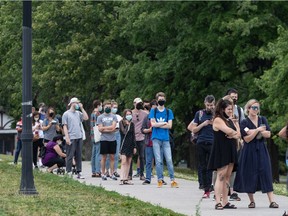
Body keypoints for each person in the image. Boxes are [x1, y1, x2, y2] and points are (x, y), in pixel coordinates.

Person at [234, 99, 279, 209]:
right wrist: (258, 130)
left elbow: (268, 134)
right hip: (249, 150)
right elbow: (247, 139)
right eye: (254, 107)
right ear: (248, 109)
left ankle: (272, 201)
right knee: (250, 173)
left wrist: (254, 131)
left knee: (266, 172)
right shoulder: (244, 122)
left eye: (257, 108)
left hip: (261, 149)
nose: (256, 110)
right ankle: (252, 201)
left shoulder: (263, 119)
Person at [208, 99, 240, 210]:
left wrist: (235, 124)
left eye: (232, 109)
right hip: (221, 150)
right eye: (229, 109)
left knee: (227, 177)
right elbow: (229, 132)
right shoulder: (217, 119)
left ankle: (226, 201)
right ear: (222, 109)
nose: (231, 111)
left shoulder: (229, 120)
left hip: (230, 149)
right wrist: (233, 133)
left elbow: (238, 134)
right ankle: (218, 202)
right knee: (220, 175)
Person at [149, 92, 178, 188]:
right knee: (158, 160)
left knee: (169, 159)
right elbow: (152, 124)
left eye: (163, 99)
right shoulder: (153, 111)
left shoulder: (169, 111)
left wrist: (158, 124)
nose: (161, 101)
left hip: (165, 138)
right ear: (157, 100)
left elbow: (170, 126)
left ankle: (172, 179)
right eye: (159, 99)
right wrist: (164, 123)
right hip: (156, 138)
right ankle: (160, 179)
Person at [191, 95, 215, 198]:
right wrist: (203, 124)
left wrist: (214, 122)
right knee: (203, 166)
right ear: (205, 103)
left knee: (211, 167)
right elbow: (193, 129)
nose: (210, 107)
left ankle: (210, 187)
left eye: (212, 105)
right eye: (208, 105)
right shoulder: (199, 114)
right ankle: (206, 189)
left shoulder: (217, 115)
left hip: (212, 143)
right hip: (201, 142)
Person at [62, 97, 89, 179]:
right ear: (72, 103)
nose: (77, 104)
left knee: (78, 155)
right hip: (71, 136)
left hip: (79, 136)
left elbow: (86, 118)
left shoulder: (78, 113)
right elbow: (65, 126)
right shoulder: (66, 114)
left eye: (78, 103)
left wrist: (82, 108)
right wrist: (67, 137)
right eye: (76, 103)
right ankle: (68, 171)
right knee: (70, 154)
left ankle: (79, 171)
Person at [97, 100, 118, 180]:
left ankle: (112, 173)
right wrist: (108, 129)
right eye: (106, 107)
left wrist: (104, 128)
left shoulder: (114, 116)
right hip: (104, 139)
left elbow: (113, 127)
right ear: (103, 107)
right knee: (104, 157)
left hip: (112, 139)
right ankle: (103, 173)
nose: (108, 108)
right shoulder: (100, 117)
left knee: (112, 157)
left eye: (109, 107)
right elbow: (99, 129)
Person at [130, 98, 147, 180]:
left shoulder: (144, 113)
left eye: (140, 103)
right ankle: (129, 174)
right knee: (130, 156)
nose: (139, 104)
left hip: (141, 137)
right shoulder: (130, 113)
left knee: (142, 156)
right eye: (138, 103)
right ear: (134, 103)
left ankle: (141, 174)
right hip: (132, 137)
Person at [141, 99, 157, 185]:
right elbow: (142, 129)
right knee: (148, 161)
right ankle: (148, 178)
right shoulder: (147, 117)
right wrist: (149, 130)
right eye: (153, 108)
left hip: (158, 141)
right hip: (149, 142)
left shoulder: (160, 117)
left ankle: (160, 178)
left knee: (159, 161)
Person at [119, 109, 137, 185]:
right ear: (124, 115)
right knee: (123, 161)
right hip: (123, 144)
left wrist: (135, 146)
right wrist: (127, 125)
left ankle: (126, 178)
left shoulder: (132, 124)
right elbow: (124, 132)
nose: (129, 116)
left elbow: (133, 135)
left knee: (129, 162)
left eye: (130, 114)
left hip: (130, 145)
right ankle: (122, 178)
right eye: (127, 114)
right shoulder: (121, 123)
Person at [106, 100, 122, 177]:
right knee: (109, 154)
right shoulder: (107, 116)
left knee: (116, 153)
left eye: (116, 107)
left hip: (117, 134)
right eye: (114, 107)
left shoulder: (119, 117)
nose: (115, 109)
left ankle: (114, 170)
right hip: (109, 134)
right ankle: (107, 170)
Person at [90, 100, 102, 177]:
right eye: (101, 105)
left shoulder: (92, 113)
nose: (102, 107)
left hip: (93, 135)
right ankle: (98, 171)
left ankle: (93, 171)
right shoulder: (97, 114)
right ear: (98, 106)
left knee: (94, 154)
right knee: (98, 153)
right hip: (97, 135)